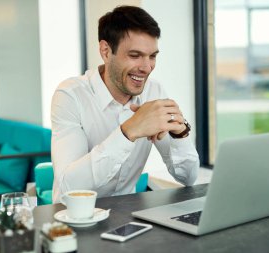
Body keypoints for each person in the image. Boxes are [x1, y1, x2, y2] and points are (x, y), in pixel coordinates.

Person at [51, 5, 199, 203]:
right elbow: (70, 186)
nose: (147, 68)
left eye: (152, 56)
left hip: (126, 218)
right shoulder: (70, 95)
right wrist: (129, 130)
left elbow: (188, 177)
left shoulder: (154, 92)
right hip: (74, 219)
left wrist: (180, 134)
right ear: (105, 51)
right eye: (135, 55)